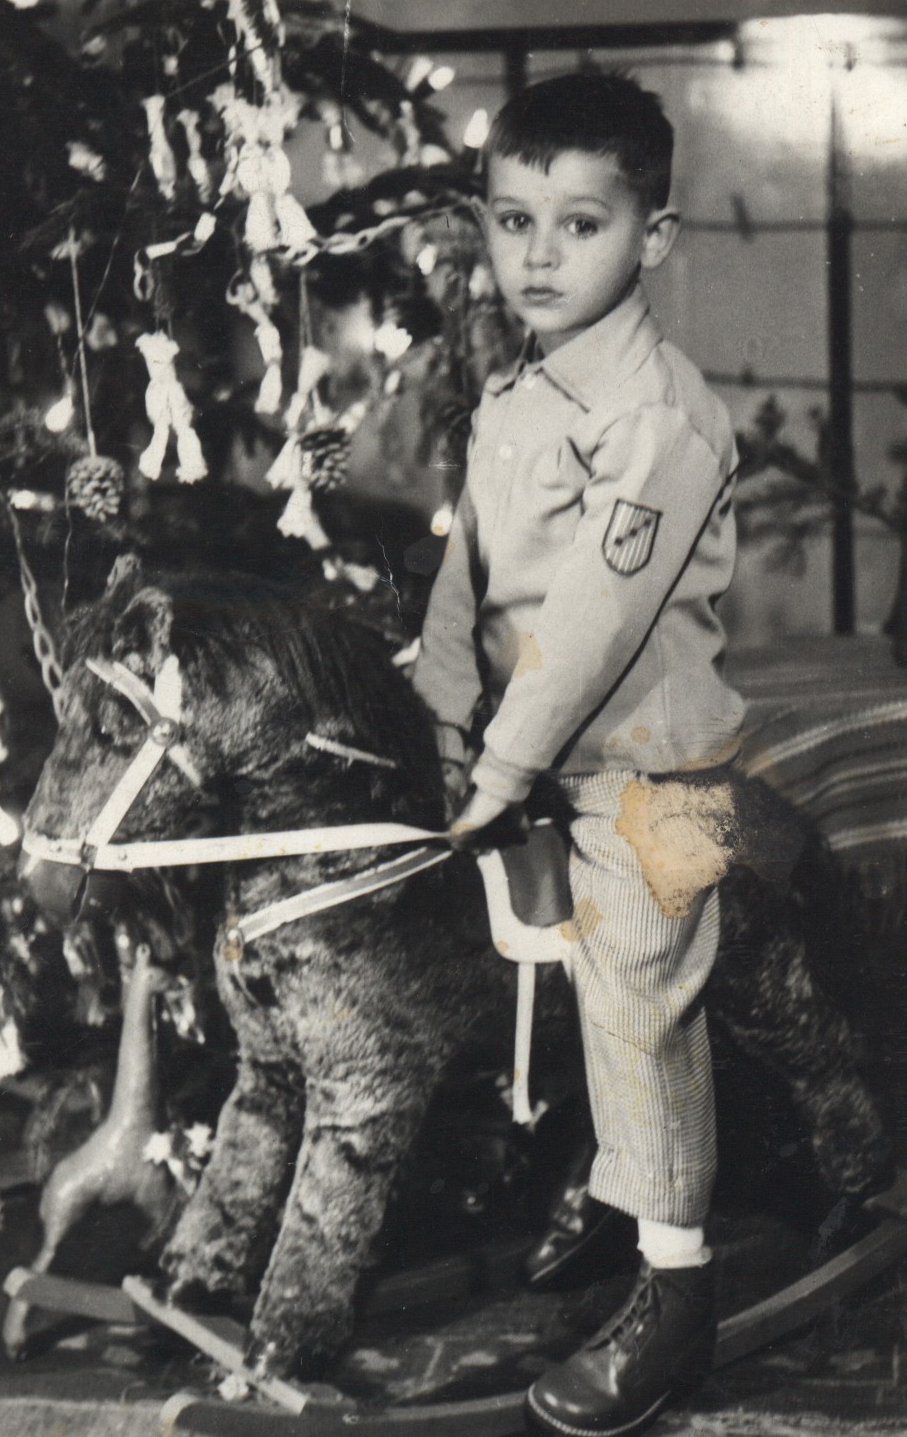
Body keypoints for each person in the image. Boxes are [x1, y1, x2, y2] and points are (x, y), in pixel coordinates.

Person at [411, 70, 746, 1437]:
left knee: (638, 999)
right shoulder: (515, 395)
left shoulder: (659, 416)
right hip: (534, 758)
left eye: (581, 224)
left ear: (652, 238)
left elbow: (594, 623)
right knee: (539, 976)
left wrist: (497, 769)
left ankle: (678, 1289)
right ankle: (607, 1187)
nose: (538, 257)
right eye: (514, 221)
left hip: (654, 775)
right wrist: (443, 717)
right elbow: (469, 575)